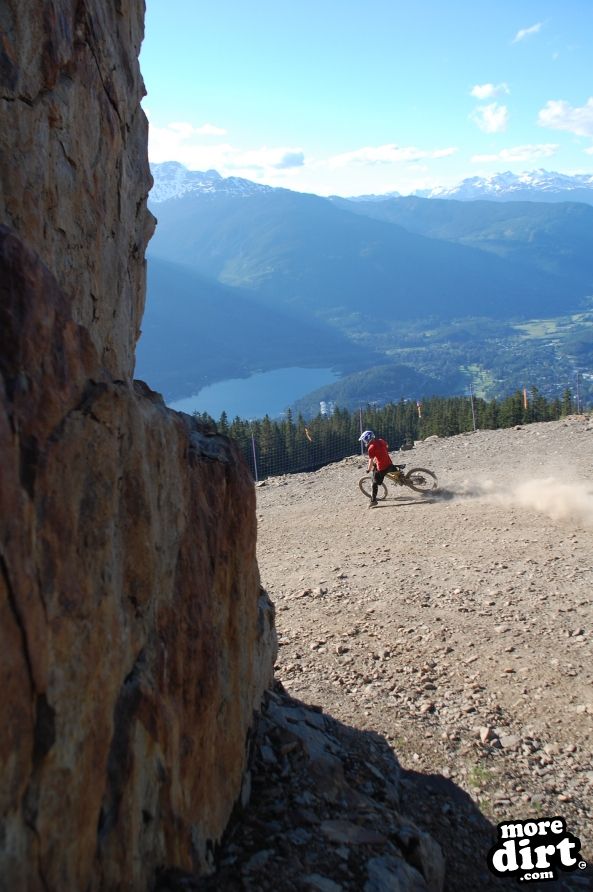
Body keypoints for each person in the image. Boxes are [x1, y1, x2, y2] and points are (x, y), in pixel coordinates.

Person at [359, 430, 404, 507]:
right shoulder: (381, 441)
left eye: (364, 440)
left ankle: (373, 501)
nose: (364, 442)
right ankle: (404, 480)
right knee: (398, 474)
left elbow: (371, 461)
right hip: (389, 464)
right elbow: (387, 447)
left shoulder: (371, 448)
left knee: (374, 483)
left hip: (382, 468)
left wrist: (368, 469)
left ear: (368, 439)